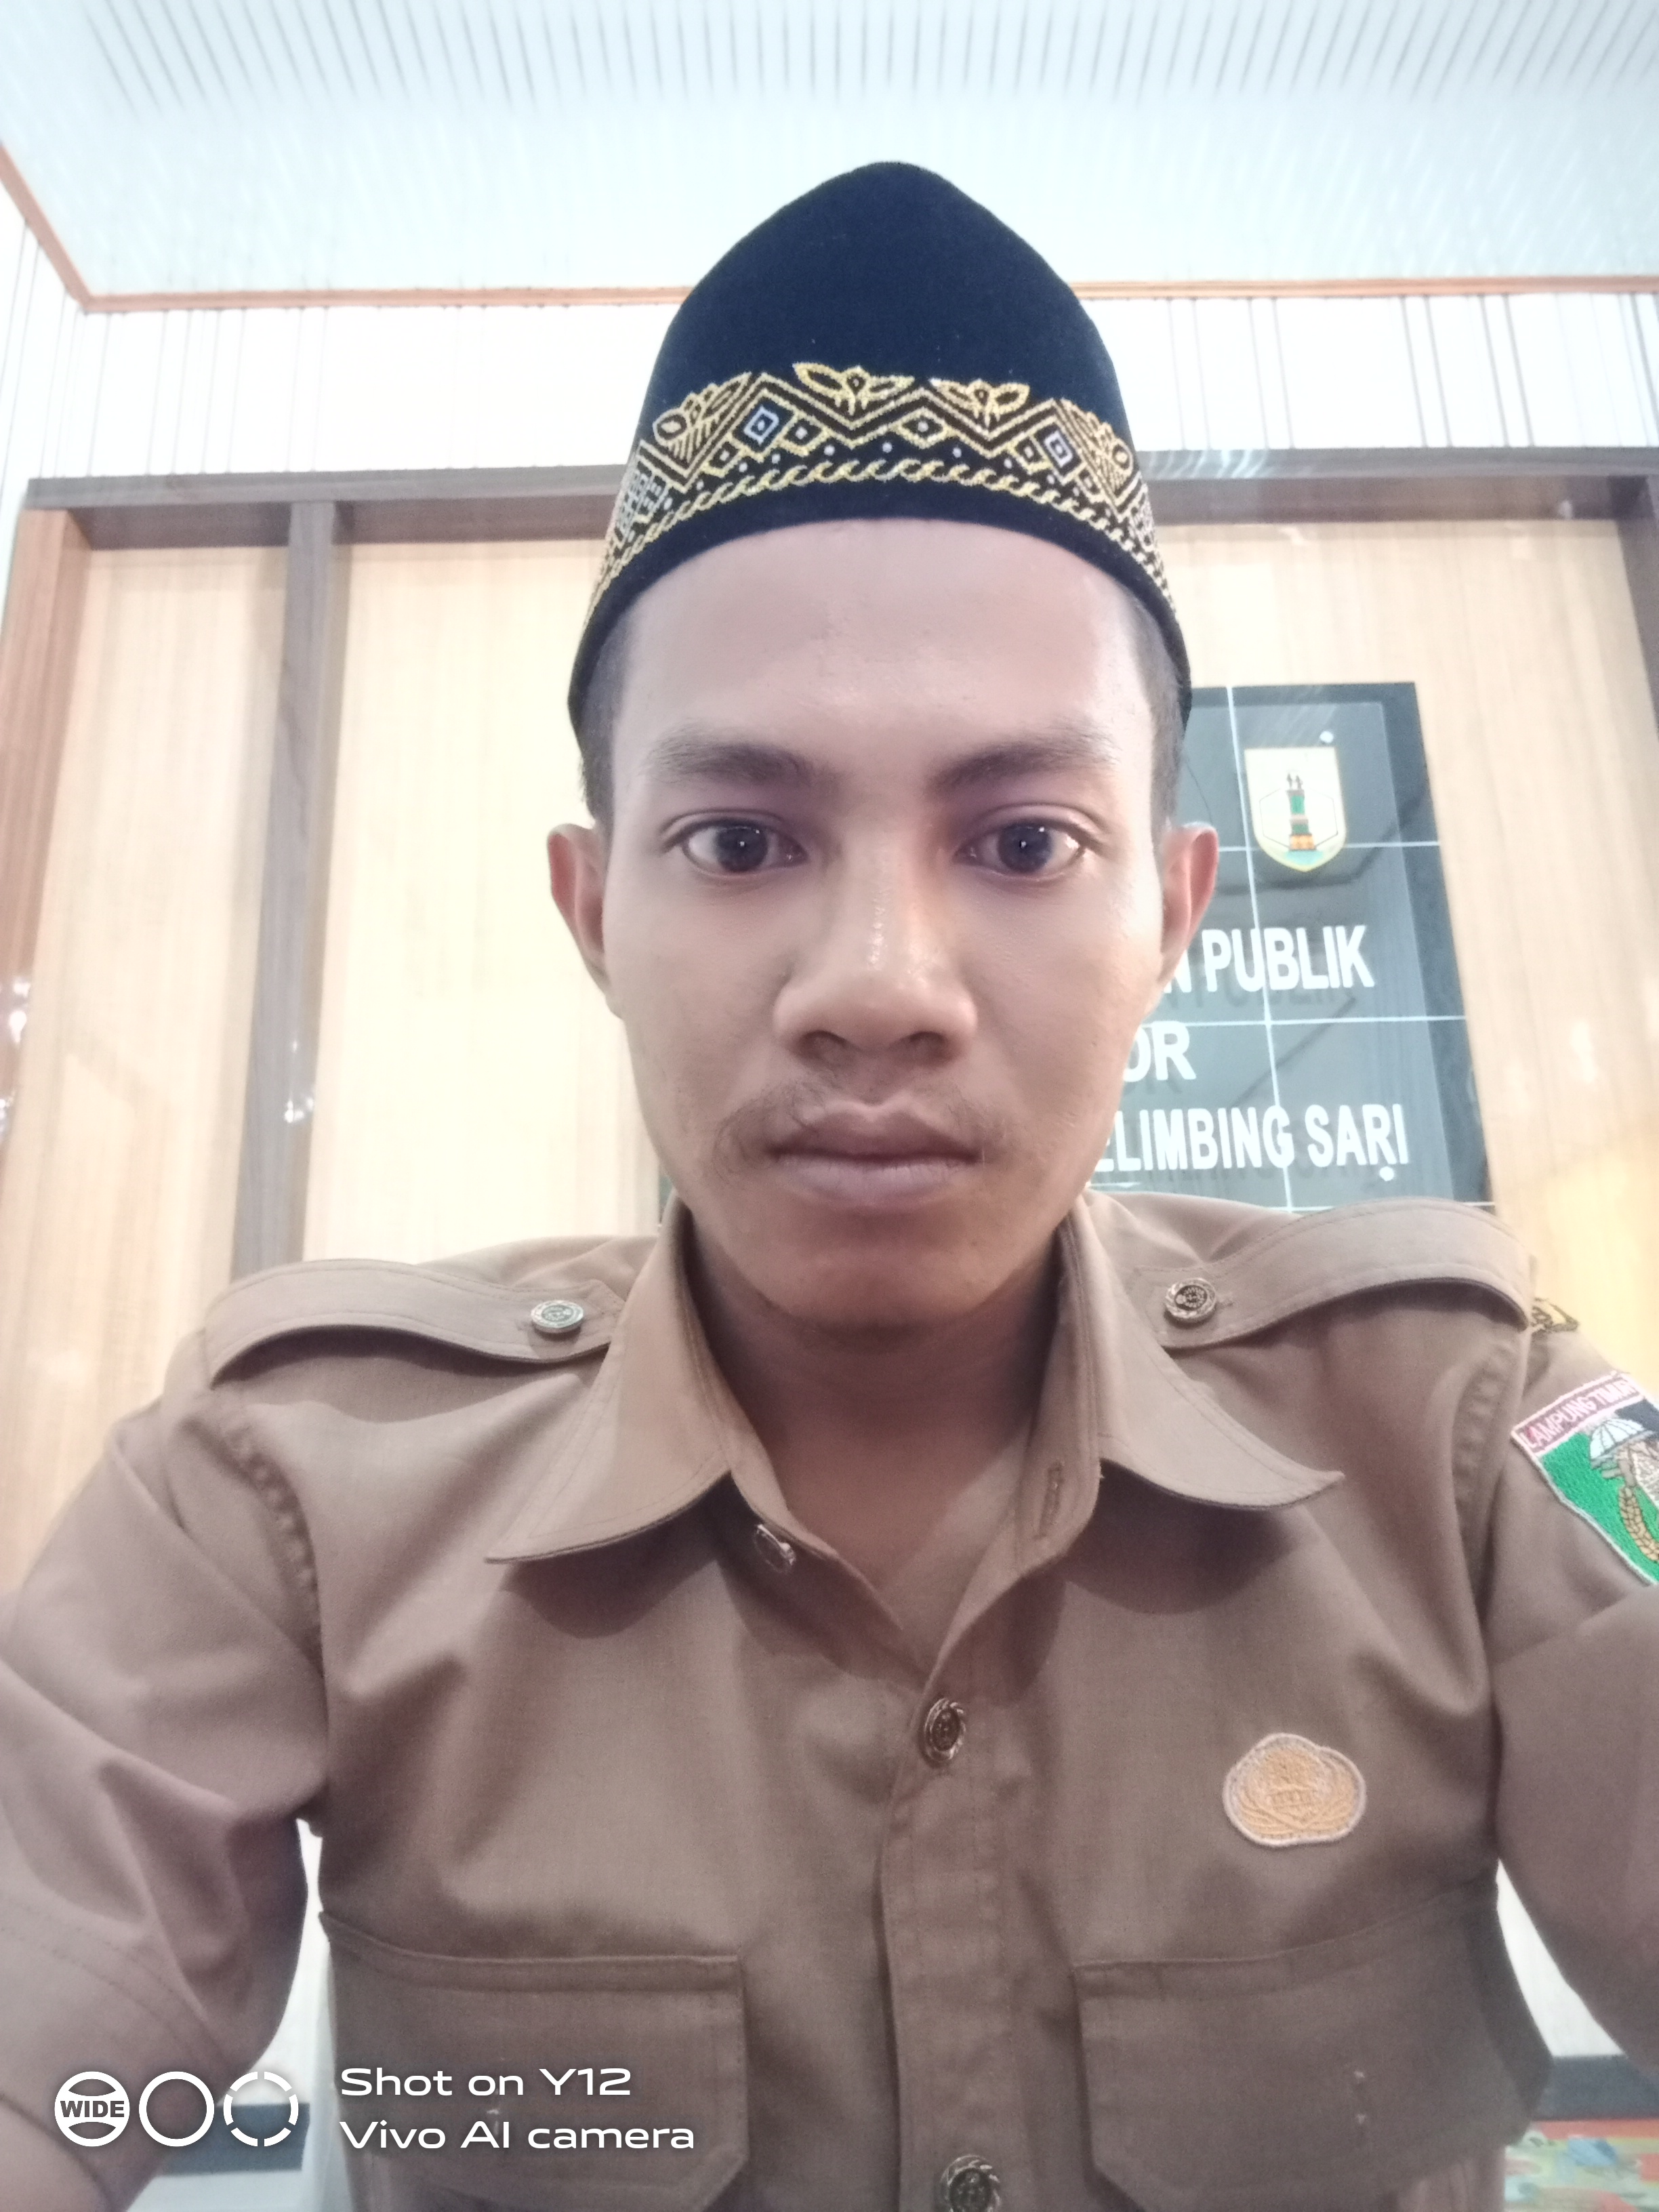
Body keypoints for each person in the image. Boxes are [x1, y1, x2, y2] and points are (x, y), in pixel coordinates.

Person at [1, 162, 1656, 2212]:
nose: (879, 986)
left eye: (1025, 841)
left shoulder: (1468, 1433)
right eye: (743, 842)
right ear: (593, 911)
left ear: (1174, 911)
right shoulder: (285, 1489)